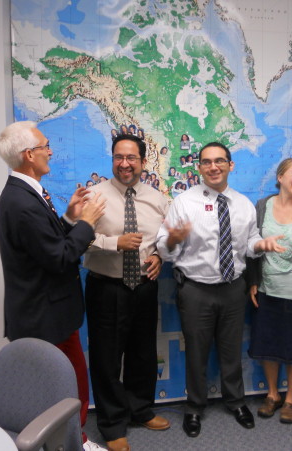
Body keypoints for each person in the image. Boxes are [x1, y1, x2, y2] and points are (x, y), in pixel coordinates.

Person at [157, 142, 286, 438]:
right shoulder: (184, 202)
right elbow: (164, 248)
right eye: (206, 162)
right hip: (195, 290)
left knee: (231, 351)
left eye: (219, 161)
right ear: (199, 167)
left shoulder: (242, 204)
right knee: (196, 353)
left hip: (232, 289)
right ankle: (194, 407)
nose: (213, 167)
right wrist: (174, 239)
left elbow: (250, 241)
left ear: (230, 165)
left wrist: (261, 244)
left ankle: (236, 402)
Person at [0, 121, 106, 451]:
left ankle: (72, 440)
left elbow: (45, 245)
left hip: (48, 314)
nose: (51, 152)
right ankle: (73, 443)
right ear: (29, 155)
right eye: (45, 146)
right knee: (63, 388)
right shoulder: (22, 202)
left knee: (66, 385)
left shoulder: (25, 194)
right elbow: (59, 258)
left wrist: (69, 218)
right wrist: (87, 222)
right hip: (45, 317)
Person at [83, 135, 170, 451]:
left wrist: (159, 256)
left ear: (143, 162)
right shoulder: (94, 196)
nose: (124, 163)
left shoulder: (157, 198)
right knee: (106, 359)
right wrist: (113, 243)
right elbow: (77, 239)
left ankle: (140, 410)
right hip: (106, 288)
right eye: (118, 157)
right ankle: (112, 424)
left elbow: (163, 238)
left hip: (144, 287)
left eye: (131, 157)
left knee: (143, 353)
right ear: (112, 160)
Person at [247, 158, 292, 424]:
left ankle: (291, 398)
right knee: (267, 342)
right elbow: (251, 244)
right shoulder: (262, 207)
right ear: (280, 177)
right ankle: (272, 394)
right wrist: (252, 281)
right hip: (266, 288)